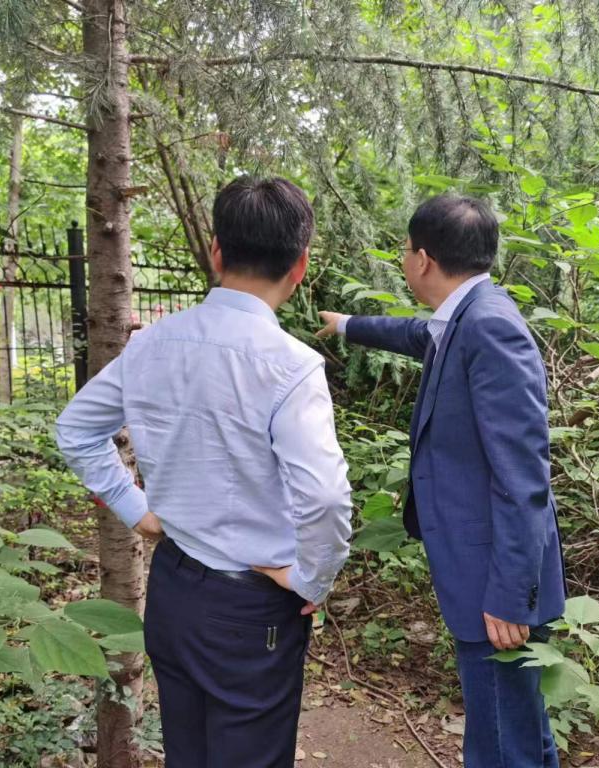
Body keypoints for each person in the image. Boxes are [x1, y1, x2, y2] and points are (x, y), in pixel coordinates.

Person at [55, 176, 353, 768]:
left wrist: (136, 509)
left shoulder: (153, 344)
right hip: (251, 607)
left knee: (187, 753)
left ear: (216, 251)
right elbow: (324, 498)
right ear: (300, 265)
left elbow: (75, 429)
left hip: (173, 590)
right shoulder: (291, 367)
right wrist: (311, 580)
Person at [317, 194, 566, 768]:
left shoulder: (490, 328)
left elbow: (524, 477)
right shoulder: (467, 314)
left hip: (496, 587)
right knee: (519, 731)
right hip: (483, 572)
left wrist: (510, 597)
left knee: (500, 746)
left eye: (405, 250)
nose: (405, 259)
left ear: (423, 259)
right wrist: (348, 325)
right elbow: (416, 334)